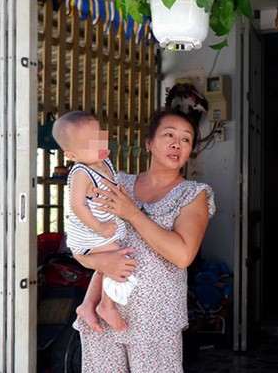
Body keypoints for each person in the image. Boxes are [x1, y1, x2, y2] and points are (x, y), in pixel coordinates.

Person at [72, 108, 216, 373]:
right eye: (169, 135)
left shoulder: (194, 194)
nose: (177, 144)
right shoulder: (118, 182)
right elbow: (83, 242)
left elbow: (183, 255)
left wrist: (132, 214)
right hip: (103, 316)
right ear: (149, 142)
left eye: (186, 139)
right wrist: (100, 261)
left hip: (155, 322)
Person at [52, 110, 135, 333]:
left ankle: (87, 306)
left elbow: (112, 183)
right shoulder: (81, 172)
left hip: (104, 230)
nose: (99, 144)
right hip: (90, 233)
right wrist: (99, 227)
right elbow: (78, 206)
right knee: (119, 259)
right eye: (90, 143)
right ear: (72, 155)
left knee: (105, 267)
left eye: (99, 136)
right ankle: (106, 305)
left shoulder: (103, 160)